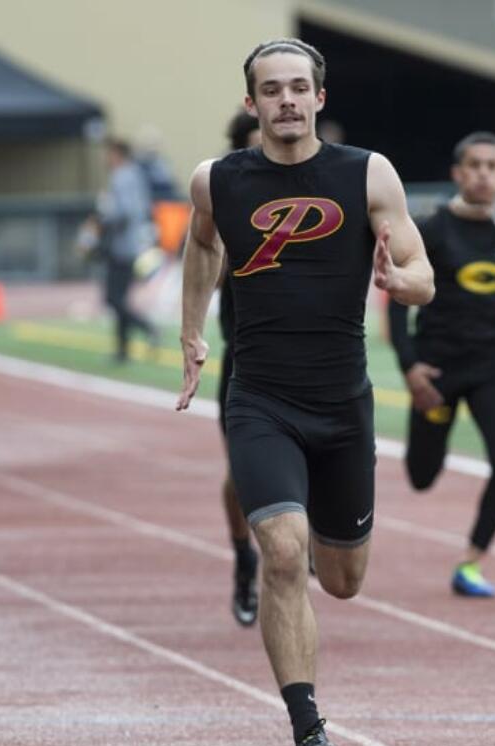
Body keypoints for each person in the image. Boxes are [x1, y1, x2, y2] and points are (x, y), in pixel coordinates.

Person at [174, 38, 433, 746]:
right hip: (260, 399)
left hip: (343, 403)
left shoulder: (367, 174)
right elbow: (202, 248)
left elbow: (423, 277)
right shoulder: (216, 180)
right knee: (283, 553)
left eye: (298, 87)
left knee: (344, 579)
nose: (286, 100)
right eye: (271, 89)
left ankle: (322, 535)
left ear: (320, 97)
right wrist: (192, 331)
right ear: (249, 103)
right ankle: (307, 723)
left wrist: (397, 281)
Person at [388, 131, 495, 598]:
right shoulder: (431, 230)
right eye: (475, 165)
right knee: (422, 476)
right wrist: (410, 367)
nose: (484, 174)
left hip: (492, 366)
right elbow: (396, 303)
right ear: (458, 173)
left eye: (493, 166)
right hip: (437, 371)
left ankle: (471, 562)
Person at [218, 109, 264, 627]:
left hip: (313, 357)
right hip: (246, 363)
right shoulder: (227, 195)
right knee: (239, 473)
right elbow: (203, 271)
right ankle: (242, 557)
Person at [96, 138, 158, 362]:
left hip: (122, 246)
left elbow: (123, 212)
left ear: (117, 154)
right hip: (131, 244)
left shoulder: (122, 176)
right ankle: (123, 349)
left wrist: (104, 218)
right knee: (119, 298)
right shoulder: (135, 174)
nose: (105, 158)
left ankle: (147, 327)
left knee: (114, 299)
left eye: (108, 153)